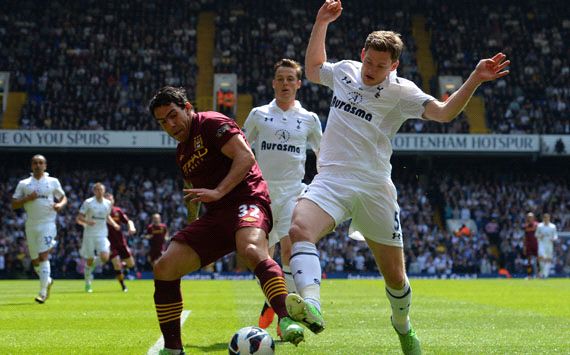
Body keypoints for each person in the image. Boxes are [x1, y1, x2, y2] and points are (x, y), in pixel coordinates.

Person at [283, 1, 510, 354]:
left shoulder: (401, 92)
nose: (371, 70)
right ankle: (311, 303)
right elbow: (312, 69)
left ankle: (403, 327)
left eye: (380, 66)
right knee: (298, 229)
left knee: (395, 277)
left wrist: (475, 79)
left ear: (394, 66)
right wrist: (321, 22)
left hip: (375, 188)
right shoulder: (345, 71)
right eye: (369, 62)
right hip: (332, 180)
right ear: (362, 54)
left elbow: (445, 113)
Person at [148, 86, 304, 354]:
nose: (170, 125)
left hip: (248, 200)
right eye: (163, 122)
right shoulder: (182, 153)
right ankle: (173, 350)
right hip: (217, 216)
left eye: (173, 115)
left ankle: (285, 317)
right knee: (164, 267)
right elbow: (194, 194)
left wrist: (218, 191)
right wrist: (192, 221)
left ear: (187, 108)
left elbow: (245, 157)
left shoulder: (211, 122)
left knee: (251, 249)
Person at [243, 58, 323, 334]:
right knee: (264, 257)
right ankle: (273, 299)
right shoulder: (258, 114)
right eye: (281, 78)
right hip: (261, 192)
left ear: (299, 84)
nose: (286, 83)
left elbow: (323, 155)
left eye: (291, 79)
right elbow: (241, 149)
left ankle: (282, 314)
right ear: (274, 82)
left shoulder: (310, 119)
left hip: (292, 190)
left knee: (290, 250)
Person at [11, 154, 67, 303]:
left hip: (48, 223)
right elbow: (14, 203)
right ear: (31, 165)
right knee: (35, 261)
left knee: (43, 256)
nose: (38, 165)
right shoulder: (24, 183)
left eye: (40, 163)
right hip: (31, 224)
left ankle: (42, 293)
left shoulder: (53, 181)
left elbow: (63, 197)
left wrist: (60, 205)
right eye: (35, 163)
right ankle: (47, 281)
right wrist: (27, 199)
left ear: (45, 166)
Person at [76, 183, 119, 293]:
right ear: (94, 191)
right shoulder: (88, 202)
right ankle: (88, 283)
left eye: (101, 190)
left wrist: (114, 224)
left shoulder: (108, 203)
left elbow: (107, 216)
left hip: (102, 233)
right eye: (97, 190)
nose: (100, 192)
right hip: (89, 234)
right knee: (89, 259)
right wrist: (87, 221)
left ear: (104, 191)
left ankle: (90, 268)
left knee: (105, 257)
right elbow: (79, 218)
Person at [105, 192, 137, 292]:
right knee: (116, 264)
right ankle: (123, 286)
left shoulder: (117, 211)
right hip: (109, 243)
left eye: (111, 199)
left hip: (121, 242)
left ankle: (125, 267)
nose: (109, 201)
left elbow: (128, 221)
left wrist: (131, 227)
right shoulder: (101, 211)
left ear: (113, 200)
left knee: (131, 264)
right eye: (107, 199)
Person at [536, 213, 558, 279]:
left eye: (547, 217)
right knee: (542, 257)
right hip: (541, 244)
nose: (546, 219)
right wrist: (540, 236)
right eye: (545, 217)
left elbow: (555, 235)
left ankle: (545, 274)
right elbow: (536, 234)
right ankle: (542, 272)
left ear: (549, 218)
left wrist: (554, 238)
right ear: (543, 218)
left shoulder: (553, 226)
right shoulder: (539, 226)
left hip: (549, 244)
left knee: (548, 259)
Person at [523, 212, 539, 278]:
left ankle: (538, 275)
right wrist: (524, 246)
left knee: (538, 260)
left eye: (531, 217)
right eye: (528, 217)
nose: (530, 218)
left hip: (536, 245)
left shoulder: (537, 225)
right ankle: (529, 275)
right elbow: (524, 237)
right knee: (529, 261)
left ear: (533, 217)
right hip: (528, 245)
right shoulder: (525, 226)